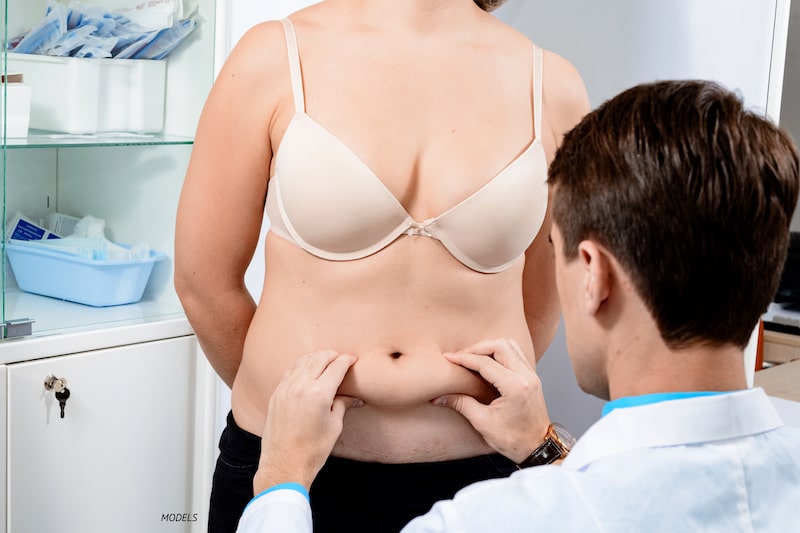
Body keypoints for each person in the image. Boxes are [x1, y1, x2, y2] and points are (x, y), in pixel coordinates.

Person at [234, 79, 800, 532]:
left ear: (594, 274)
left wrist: (280, 485)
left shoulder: (488, 521)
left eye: (552, 252)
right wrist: (545, 448)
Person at [174, 0, 590, 531]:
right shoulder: (273, 55)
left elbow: (544, 302)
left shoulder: (552, 84)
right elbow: (202, 284)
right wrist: (272, 393)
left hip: (485, 471)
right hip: (288, 463)